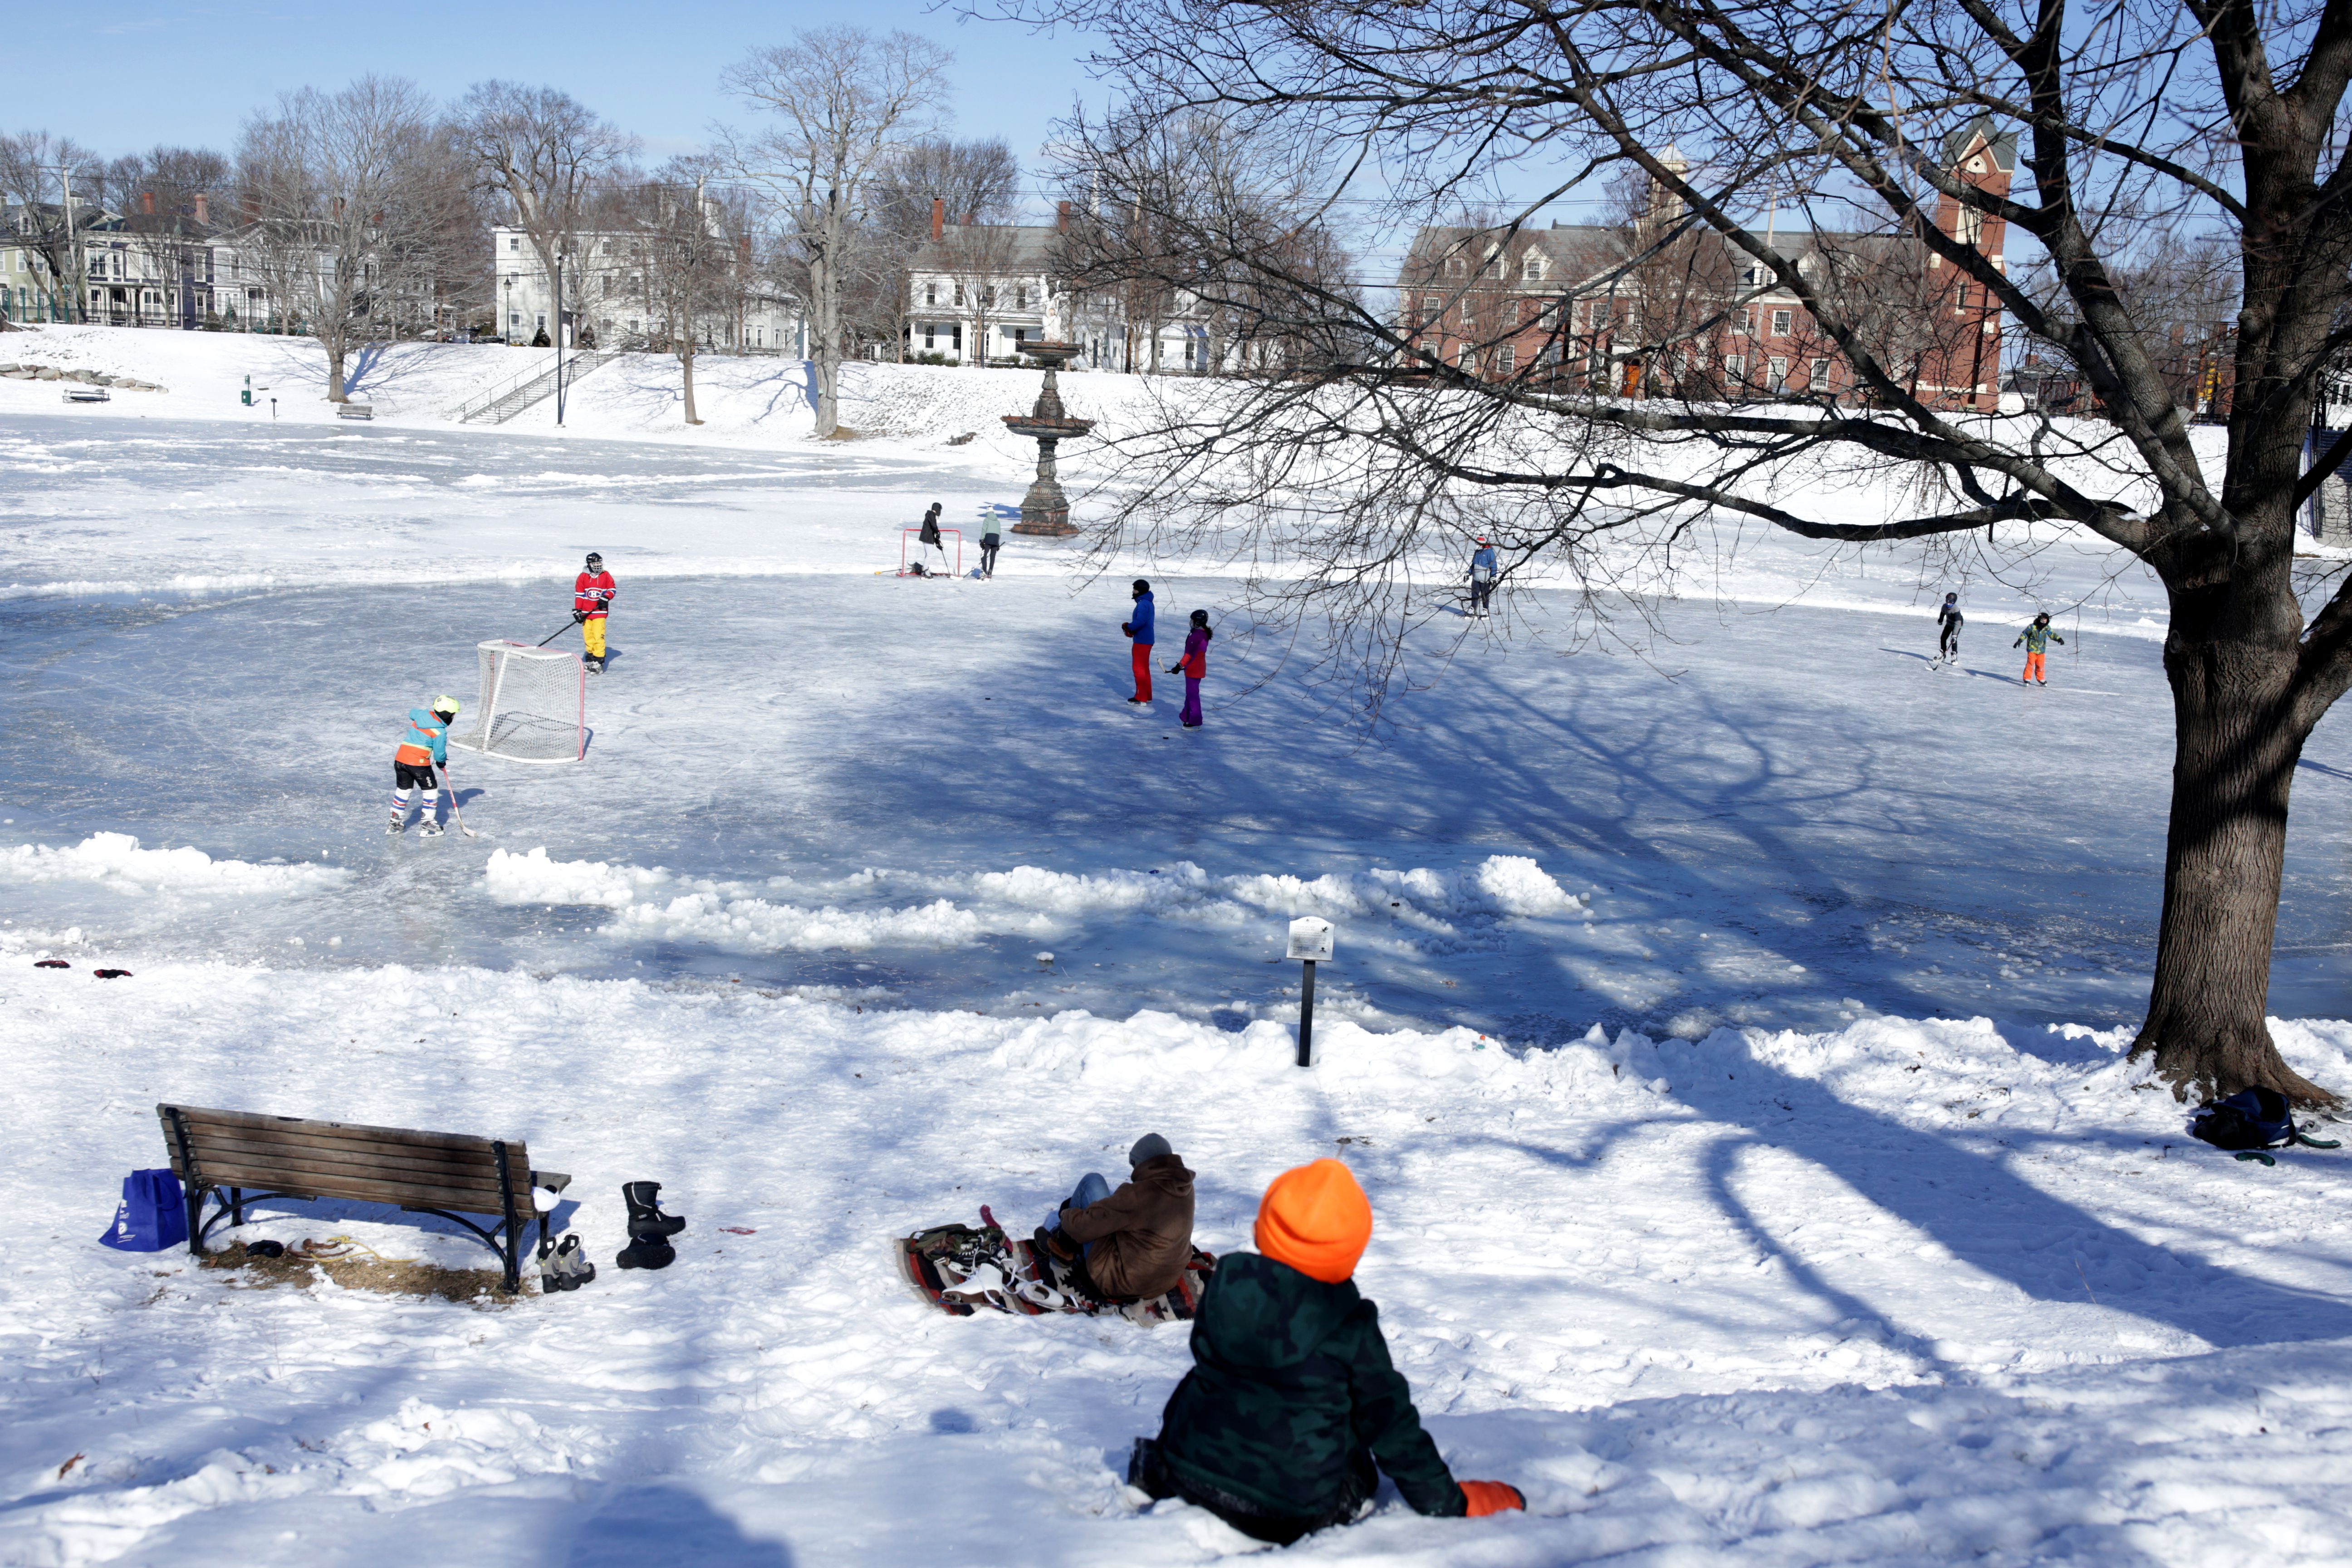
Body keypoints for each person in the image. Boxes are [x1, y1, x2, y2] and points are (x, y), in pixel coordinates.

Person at [1130, 1159, 1524, 1544]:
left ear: (1261, 1229)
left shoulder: (1225, 1284)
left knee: (1218, 1376)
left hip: (1184, 1472)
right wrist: (1450, 1502)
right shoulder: (1350, 1325)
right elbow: (1392, 1428)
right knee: (1354, 1417)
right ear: (1350, 1252)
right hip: (1288, 1512)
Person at [1035, 1133, 1196, 1301]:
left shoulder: (1137, 1196)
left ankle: (1061, 1244)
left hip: (1121, 1282)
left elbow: (1083, 1228)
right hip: (1165, 1279)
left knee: (1093, 1182)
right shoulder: (1185, 1187)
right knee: (1111, 1202)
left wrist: (1066, 1213)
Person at [389, 696, 461, 837]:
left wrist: (424, 714)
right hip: (418, 764)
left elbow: (412, 713)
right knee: (431, 790)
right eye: (453, 715)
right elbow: (439, 753)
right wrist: (441, 762)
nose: (453, 717)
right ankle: (428, 822)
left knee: (403, 790)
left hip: (400, 760)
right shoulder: (440, 732)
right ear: (447, 715)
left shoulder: (422, 715)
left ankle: (395, 822)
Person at [1167, 609, 1213, 727]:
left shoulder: (1196, 636)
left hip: (1194, 670)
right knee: (1191, 694)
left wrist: (1179, 666)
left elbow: (1189, 655)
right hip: (1198, 668)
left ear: (1197, 622)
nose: (1191, 622)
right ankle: (1185, 716)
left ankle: (1195, 721)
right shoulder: (1203, 633)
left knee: (1193, 696)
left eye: (1192, 620)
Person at [574, 551, 616, 673]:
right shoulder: (583, 577)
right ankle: (591, 660)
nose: (599, 565)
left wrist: (606, 597)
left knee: (599, 636)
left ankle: (599, 662)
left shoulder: (606, 575)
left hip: (600, 613)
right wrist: (578, 610)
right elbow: (580, 595)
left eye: (600, 563)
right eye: (596, 563)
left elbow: (612, 589)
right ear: (589, 564)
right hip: (587, 614)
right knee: (589, 638)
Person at [1123, 579, 1157, 704]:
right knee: (1144, 668)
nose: (1133, 591)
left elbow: (1141, 621)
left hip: (1142, 641)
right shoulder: (1147, 603)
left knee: (1139, 669)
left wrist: (1129, 627)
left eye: (1135, 589)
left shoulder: (1143, 604)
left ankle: (1141, 697)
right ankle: (1147, 696)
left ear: (1141, 590)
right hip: (1146, 639)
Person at [2014, 612, 2064, 685]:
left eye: (2046, 620)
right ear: (2039, 619)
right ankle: (2027, 678)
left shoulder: (2047, 628)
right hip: (2032, 649)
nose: (2044, 621)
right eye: (2043, 619)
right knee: (2031, 663)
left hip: (2041, 650)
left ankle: (2041, 679)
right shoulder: (2032, 627)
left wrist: (2059, 639)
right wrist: (2019, 641)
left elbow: (2052, 634)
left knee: (2041, 665)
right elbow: (2025, 633)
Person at [1468, 537, 1499, 619]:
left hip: (1486, 580)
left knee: (1485, 595)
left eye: (1478, 544)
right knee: (1474, 594)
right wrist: (1468, 573)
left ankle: (1485, 610)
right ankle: (1473, 609)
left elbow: (1494, 566)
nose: (1477, 545)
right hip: (1476, 579)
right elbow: (1473, 565)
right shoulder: (1477, 553)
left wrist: (1493, 577)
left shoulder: (1490, 553)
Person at [1934, 592, 1963, 667]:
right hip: (1949, 624)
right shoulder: (1944, 607)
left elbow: (1958, 623)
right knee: (1943, 638)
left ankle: (1954, 656)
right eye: (1947, 600)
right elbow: (1942, 613)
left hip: (1957, 625)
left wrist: (1955, 635)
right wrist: (1940, 620)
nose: (1948, 603)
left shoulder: (1956, 609)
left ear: (1954, 602)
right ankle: (1943, 654)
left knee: (1953, 640)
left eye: (1951, 601)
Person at [919, 503, 949, 570]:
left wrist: (937, 540)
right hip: (927, 538)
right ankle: (925, 571)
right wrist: (937, 532)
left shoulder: (930, 515)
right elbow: (934, 526)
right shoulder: (931, 515)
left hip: (927, 537)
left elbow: (933, 527)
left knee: (928, 555)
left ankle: (925, 568)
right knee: (929, 555)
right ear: (937, 509)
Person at [979, 509, 1002, 578]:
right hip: (996, 539)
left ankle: (984, 572)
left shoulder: (987, 520)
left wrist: (982, 540)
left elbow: (984, 530)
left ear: (987, 513)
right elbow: (1000, 533)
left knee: (983, 556)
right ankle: (990, 571)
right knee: (993, 557)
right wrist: (998, 544)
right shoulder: (998, 522)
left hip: (988, 538)